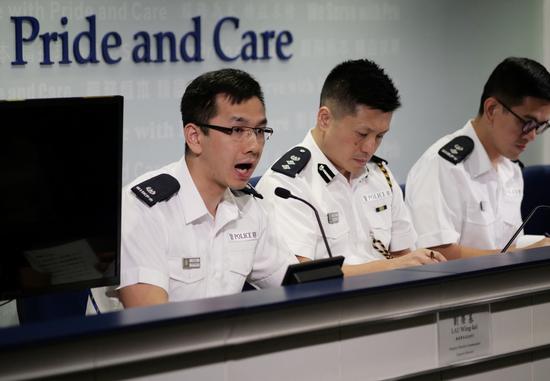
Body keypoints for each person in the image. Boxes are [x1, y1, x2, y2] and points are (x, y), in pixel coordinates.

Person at [118, 68, 291, 308]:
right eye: (237, 130)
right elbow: (151, 327)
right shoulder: (143, 209)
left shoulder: (249, 208)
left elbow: (295, 285)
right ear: (195, 137)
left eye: (259, 131)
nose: (254, 146)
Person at [257, 59, 446, 277]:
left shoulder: (380, 174)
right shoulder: (286, 186)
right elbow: (303, 278)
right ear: (325, 119)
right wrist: (394, 266)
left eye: (380, 136)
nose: (369, 148)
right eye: (362, 134)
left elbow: (405, 254)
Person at [406, 57, 550, 259]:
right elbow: (437, 254)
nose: (532, 135)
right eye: (527, 123)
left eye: (541, 126)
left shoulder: (511, 168)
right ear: (492, 109)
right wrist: (516, 256)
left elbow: (509, 243)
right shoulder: (443, 165)